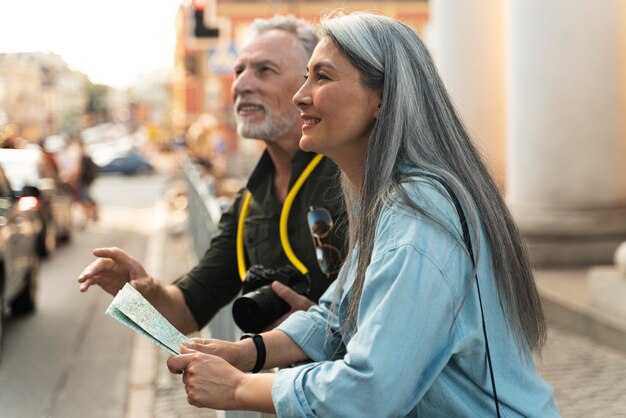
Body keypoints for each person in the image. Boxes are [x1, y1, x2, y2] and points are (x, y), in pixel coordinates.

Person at [166, 11, 561, 417]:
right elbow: (335, 314)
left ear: (382, 98)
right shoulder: (386, 198)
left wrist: (237, 389)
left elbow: (369, 390)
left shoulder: (420, 216)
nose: (301, 95)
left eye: (322, 77)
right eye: (305, 76)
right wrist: (246, 352)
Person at [78, 15, 346, 336]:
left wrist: (325, 330)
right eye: (238, 70)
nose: (241, 85)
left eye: (265, 70)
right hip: (283, 385)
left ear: (311, 84)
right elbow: (187, 312)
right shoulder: (248, 203)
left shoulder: (353, 178)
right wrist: (137, 293)